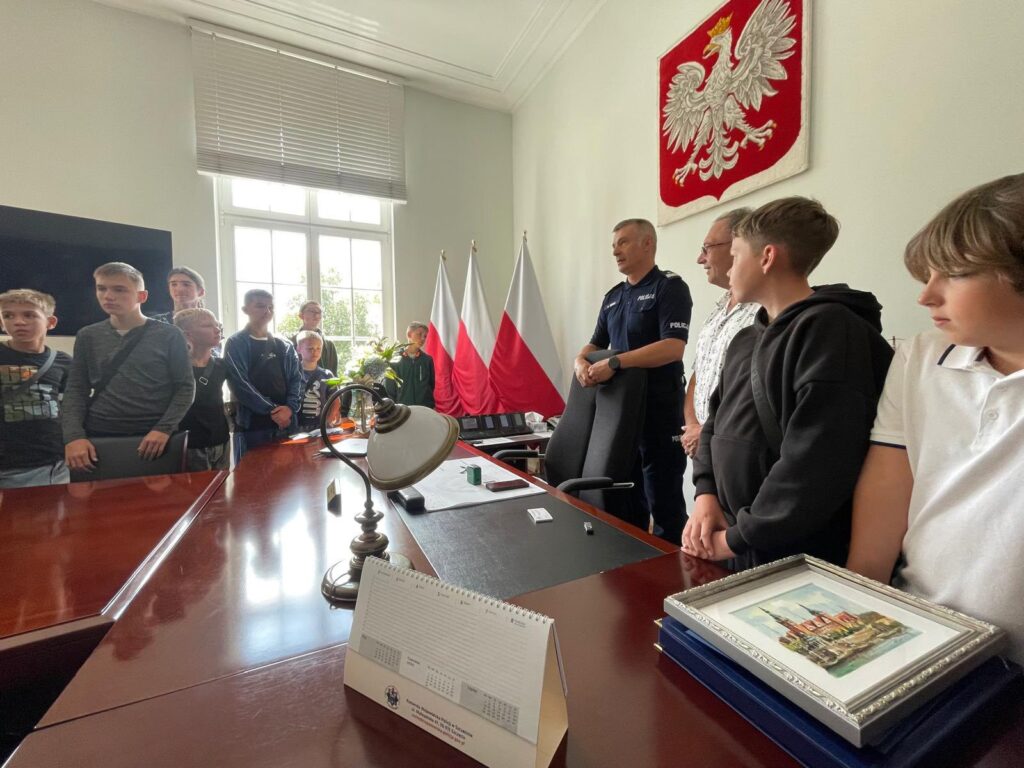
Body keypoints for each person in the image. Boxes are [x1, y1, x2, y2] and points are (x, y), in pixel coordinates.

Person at [847, 173, 1024, 664]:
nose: (926, 296)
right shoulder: (921, 355)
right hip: (916, 626)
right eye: (928, 274)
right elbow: (888, 485)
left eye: (955, 273)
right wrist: (859, 599)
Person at [683, 197, 893, 569]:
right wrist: (706, 494)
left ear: (767, 257)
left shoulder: (831, 332)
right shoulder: (745, 339)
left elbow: (816, 461)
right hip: (733, 539)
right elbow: (714, 421)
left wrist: (737, 538)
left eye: (736, 255)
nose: (730, 269)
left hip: (791, 553)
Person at [574, 218, 692, 545]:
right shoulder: (614, 296)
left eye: (623, 242)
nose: (615, 251)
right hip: (620, 414)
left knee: (664, 500)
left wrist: (617, 362)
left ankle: (672, 567)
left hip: (659, 411)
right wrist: (579, 361)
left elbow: (673, 346)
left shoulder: (669, 287)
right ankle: (634, 561)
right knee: (624, 496)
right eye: (614, 245)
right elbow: (595, 342)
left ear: (647, 243)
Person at [62, 262, 195, 472]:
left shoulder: (169, 335)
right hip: (99, 432)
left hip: (154, 434)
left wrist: (163, 428)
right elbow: (76, 389)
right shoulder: (88, 336)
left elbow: (185, 387)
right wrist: (73, 436)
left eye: (119, 290)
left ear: (141, 296)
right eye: (102, 288)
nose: (108, 296)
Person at [682, 208, 759, 458]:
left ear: (738, 245)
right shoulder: (717, 311)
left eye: (707, 248)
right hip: (703, 448)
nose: (700, 259)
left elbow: (751, 395)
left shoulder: (765, 313)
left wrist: (705, 433)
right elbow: (698, 376)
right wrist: (693, 427)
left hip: (736, 448)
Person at [0, 289, 73, 487]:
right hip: (7, 465)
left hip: (53, 462)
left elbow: (70, 407)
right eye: (8, 315)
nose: (18, 322)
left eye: (29, 315)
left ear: (50, 322)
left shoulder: (62, 361)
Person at [223, 289, 301, 461]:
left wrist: (290, 408)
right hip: (252, 426)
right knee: (252, 474)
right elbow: (239, 382)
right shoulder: (236, 343)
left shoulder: (284, 345)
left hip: (286, 423)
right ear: (245, 310)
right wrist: (272, 410)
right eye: (260, 306)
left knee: (288, 473)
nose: (267, 311)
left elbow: (297, 379)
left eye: (270, 307)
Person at [173, 308, 230, 471]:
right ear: (188, 334)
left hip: (221, 439)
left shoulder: (221, 365)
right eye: (207, 325)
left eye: (217, 325)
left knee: (222, 485)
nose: (217, 329)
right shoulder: (175, 367)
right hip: (190, 444)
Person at [295, 329, 337, 431]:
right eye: (310, 348)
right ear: (299, 349)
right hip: (296, 426)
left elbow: (336, 400)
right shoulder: (293, 374)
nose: (315, 352)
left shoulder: (327, 374)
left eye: (318, 348)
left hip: (320, 426)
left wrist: (330, 419)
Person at [386, 321, 435, 408]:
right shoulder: (394, 360)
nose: (423, 338)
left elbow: (431, 385)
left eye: (425, 336)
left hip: (425, 409)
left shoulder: (427, 360)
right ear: (409, 335)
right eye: (419, 334)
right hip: (402, 409)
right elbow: (390, 389)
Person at [289, 300, 338, 377]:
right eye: (312, 311)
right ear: (301, 315)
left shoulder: (329, 345)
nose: (317, 315)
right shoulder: (290, 343)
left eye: (319, 312)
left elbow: (334, 375)